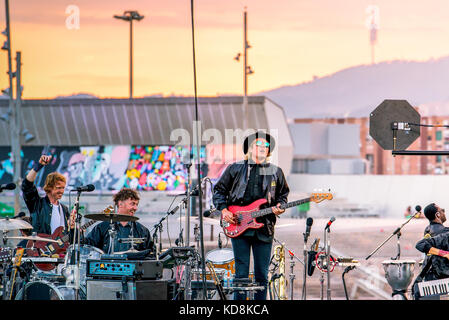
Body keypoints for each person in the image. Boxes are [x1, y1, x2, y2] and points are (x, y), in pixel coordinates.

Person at [213, 130, 290, 300]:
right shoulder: (235, 168)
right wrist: (224, 210)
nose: (263, 147)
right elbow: (218, 190)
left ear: (268, 151)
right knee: (241, 273)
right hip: (238, 224)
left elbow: (283, 196)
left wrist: (280, 207)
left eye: (266, 145)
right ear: (250, 148)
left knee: (262, 274)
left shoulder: (276, 172)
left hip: (264, 228)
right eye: (259, 144)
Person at [83, 188, 154, 255]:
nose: (135, 208)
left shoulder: (142, 230)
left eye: (136, 204)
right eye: (132, 204)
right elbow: (86, 246)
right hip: (107, 267)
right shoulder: (102, 227)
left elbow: (150, 253)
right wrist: (74, 230)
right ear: (120, 204)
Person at [22, 155, 74, 236]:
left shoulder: (64, 209)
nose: (62, 191)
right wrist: (38, 166)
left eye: (63, 188)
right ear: (49, 187)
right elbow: (27, 185)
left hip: (59, 248)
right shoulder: (37, 204)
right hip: (40, 247)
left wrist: (76, 230)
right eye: (58, 188)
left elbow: (66, 235)